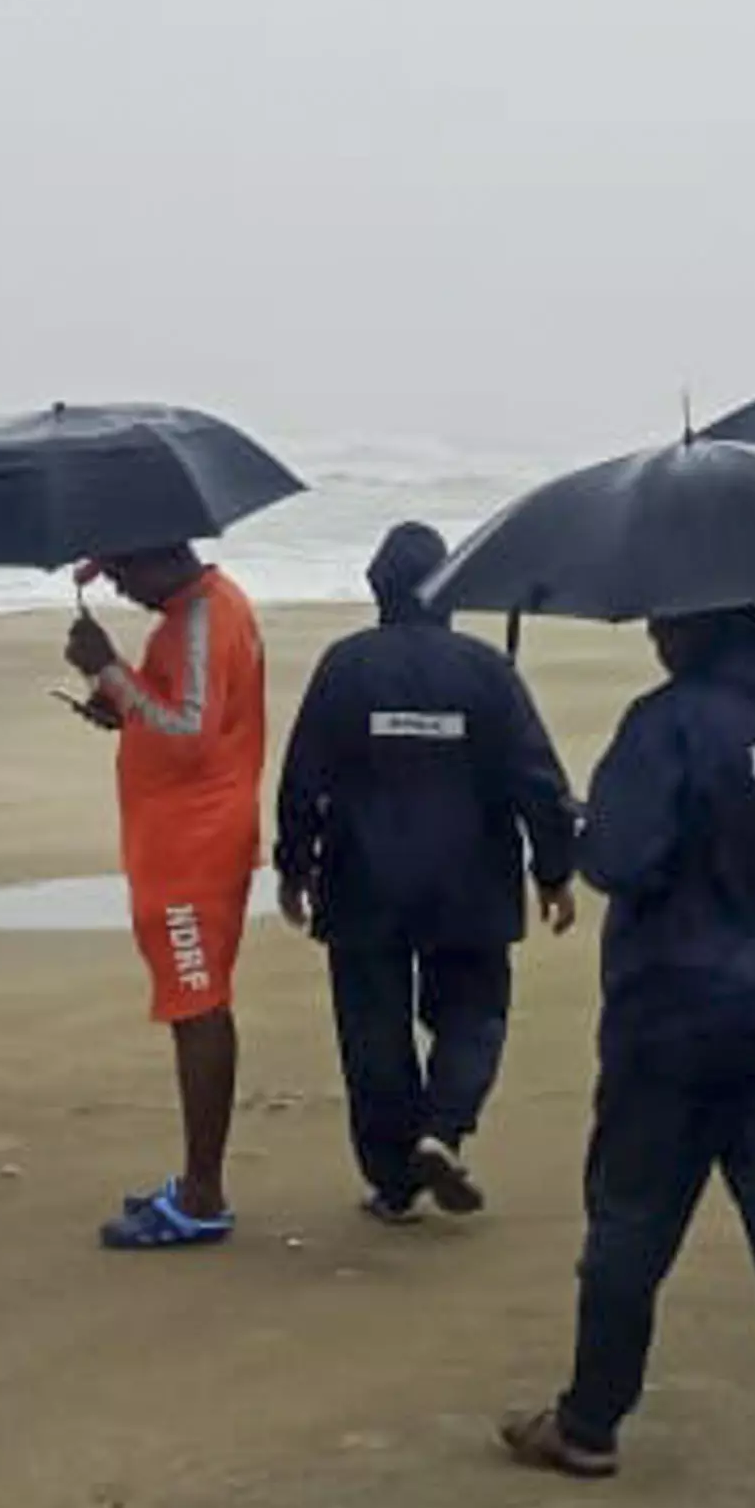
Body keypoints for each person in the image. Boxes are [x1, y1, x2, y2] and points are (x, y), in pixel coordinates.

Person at [500, 605, 755, 1508]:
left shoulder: (672, 721)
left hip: (676, 1014)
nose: (653, 638)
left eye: (662, 625)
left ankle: (589, 1423)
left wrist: (578, 820)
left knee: (631, 1219)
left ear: (698, 628)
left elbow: (618, 859)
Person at [275, 522, 580, 1222]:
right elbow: (537, 778)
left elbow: (304, 777)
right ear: (451, 591)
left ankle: (393, 1182)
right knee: (475, 1012)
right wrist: (554, 869)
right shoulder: (487, 670)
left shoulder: (345, 665)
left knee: (372, 1031)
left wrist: (295, 863)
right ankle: (443, 1127)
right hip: (470, 878)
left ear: (376, 589)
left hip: (363, 878)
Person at [70, 543, 266, 1250]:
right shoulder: (193, 615)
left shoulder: (204, 619)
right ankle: (197, 1183)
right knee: (194, 1003)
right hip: (179, 839)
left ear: (160, 553)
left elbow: (187, 734)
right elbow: (175, 715)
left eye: (123, 573)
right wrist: (119, 700)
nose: (121, 589)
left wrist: (108, 670)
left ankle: (203, 1193)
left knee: (198, 1005)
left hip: (195, 845)